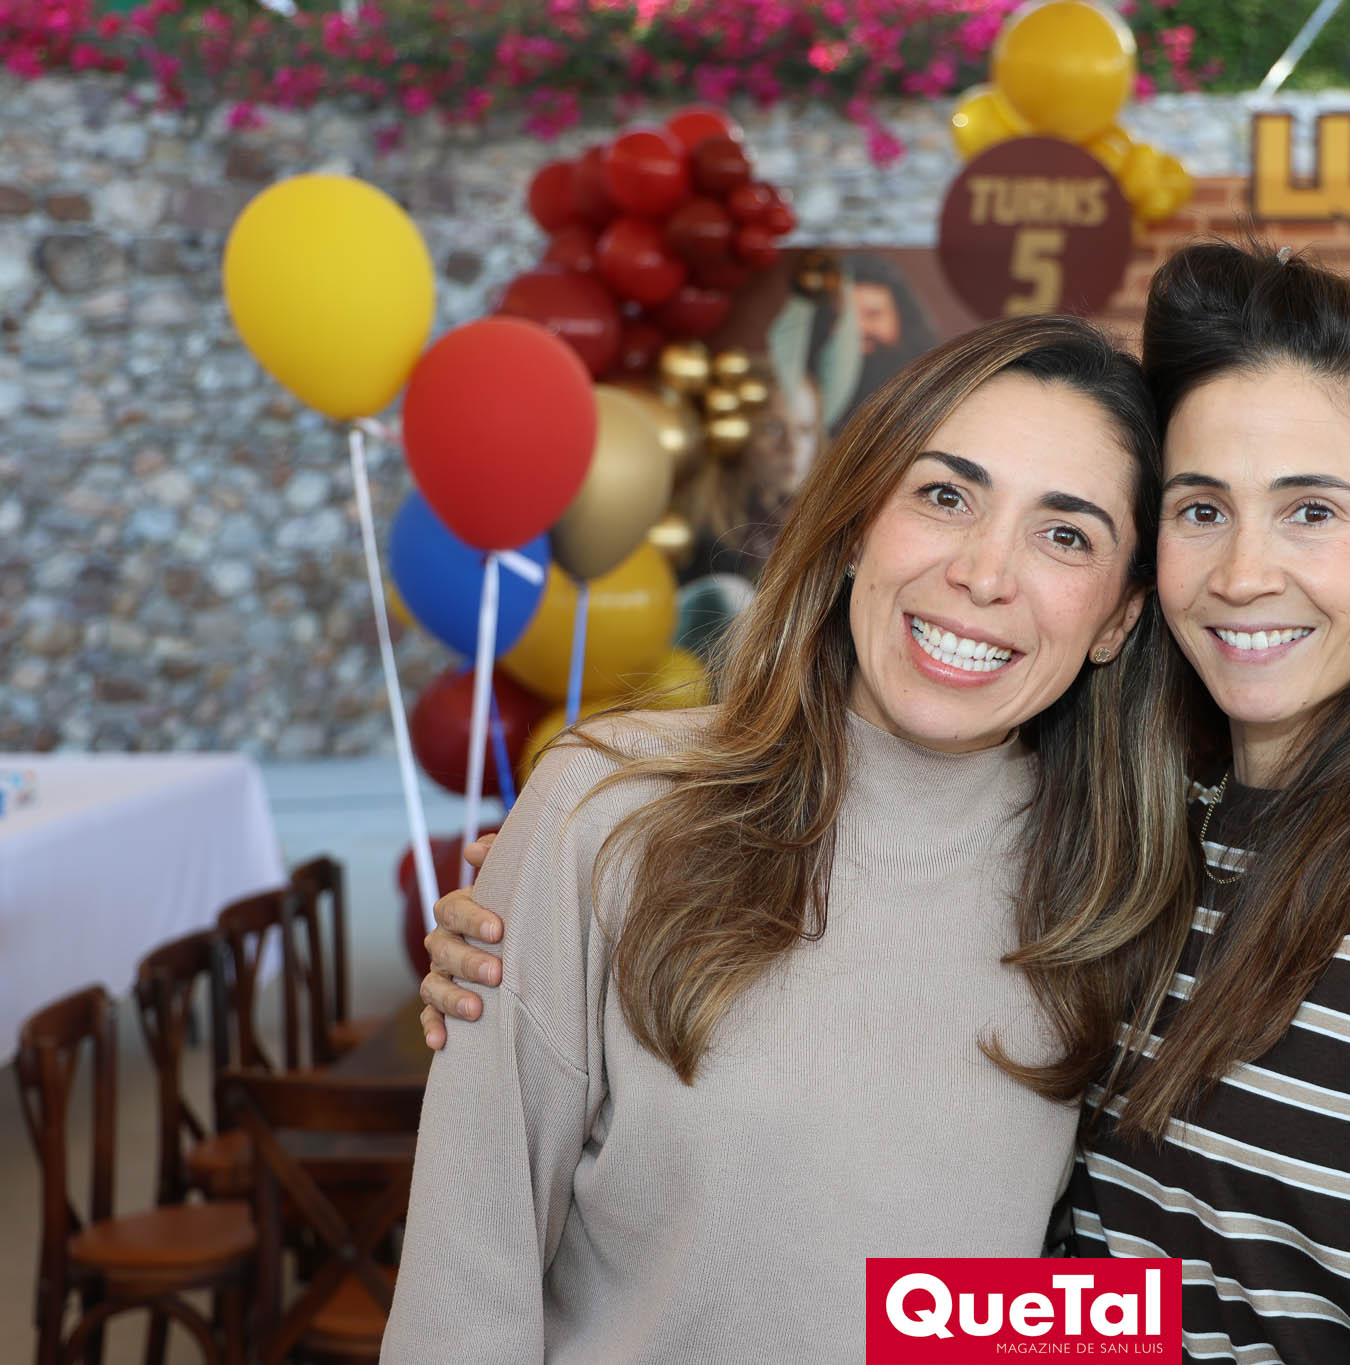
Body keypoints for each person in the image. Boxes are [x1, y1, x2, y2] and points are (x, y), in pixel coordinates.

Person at [419, 241, 1350, 1363]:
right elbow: (1087, 1295)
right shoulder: (1158, 852)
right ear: (854, 522)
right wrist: (543, 930)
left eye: (1310, 510)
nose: (1245, 570)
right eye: (1202, 511)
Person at [382, 312, 1195, 1363]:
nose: (985, 572)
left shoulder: (1129, 891)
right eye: (945, 496)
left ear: (1118, 620)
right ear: (857, 525)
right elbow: (462, 1298)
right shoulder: (608, 811)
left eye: (1065, 535)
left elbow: (1056, 1300)